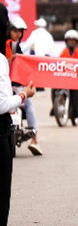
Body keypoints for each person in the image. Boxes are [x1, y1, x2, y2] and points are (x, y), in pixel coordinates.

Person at [0, 4, 36, 226]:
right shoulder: (2, 55)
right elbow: (2, 104)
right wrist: (24, 95)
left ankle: (35, 135)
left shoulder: (17, 47)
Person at [5, 17, 41, 156]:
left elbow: (24, 69)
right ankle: (35, 139)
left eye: (20, 32)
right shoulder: (5, 45)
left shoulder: (17, 47)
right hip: (5, 86)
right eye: (14, 31)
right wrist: (10, 60)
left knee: (29, 104)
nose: (17, 34)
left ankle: (35, 140)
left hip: (16, 86)